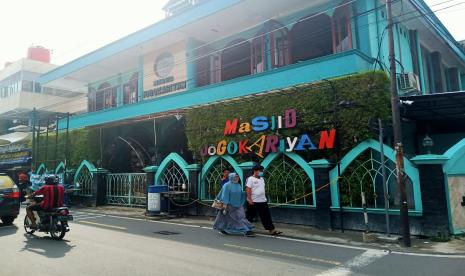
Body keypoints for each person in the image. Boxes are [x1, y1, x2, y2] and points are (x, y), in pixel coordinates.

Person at [213, 172, 255, 237]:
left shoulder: (238, 185)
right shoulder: (227, 185)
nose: (237, 178)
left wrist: (246, 193)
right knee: (234, 218)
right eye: (235, 177)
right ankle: (246, 230)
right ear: (231, 177)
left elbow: (240, 193)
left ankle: (224, 228)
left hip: (238, 205)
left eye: (237, 177)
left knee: (240, 217)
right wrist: (225, 204)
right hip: (229, 206)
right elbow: (225, 195)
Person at [246, 165, 282, 236]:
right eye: (260, 170)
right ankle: (246, 230)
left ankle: (272, 230)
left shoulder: (262, 179)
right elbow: (248, 189)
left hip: (262, 201)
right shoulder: (250, 179)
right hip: (253, 201)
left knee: (266, 216)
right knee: (250, 216)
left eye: (262, 170)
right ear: (255, 171)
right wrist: (249, 199)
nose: (261, 172)